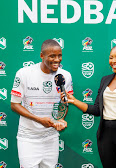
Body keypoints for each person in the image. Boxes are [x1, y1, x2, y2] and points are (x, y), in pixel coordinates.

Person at [61, 44, 116, 168]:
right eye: (111, 57)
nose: (113, 61)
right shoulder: (105, 80)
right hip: (105, 135)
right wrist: (74, 101)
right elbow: (96, 109)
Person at [11, 39, 73, 168]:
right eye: (52, 56)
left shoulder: (65, 76)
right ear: (42, 56)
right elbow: (14, 105)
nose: (57, 60)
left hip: (51, 138)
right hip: (28, 138)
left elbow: (64, 104)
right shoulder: (24, 73)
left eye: (59, 55)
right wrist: (38, 120)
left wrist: (60, 119)